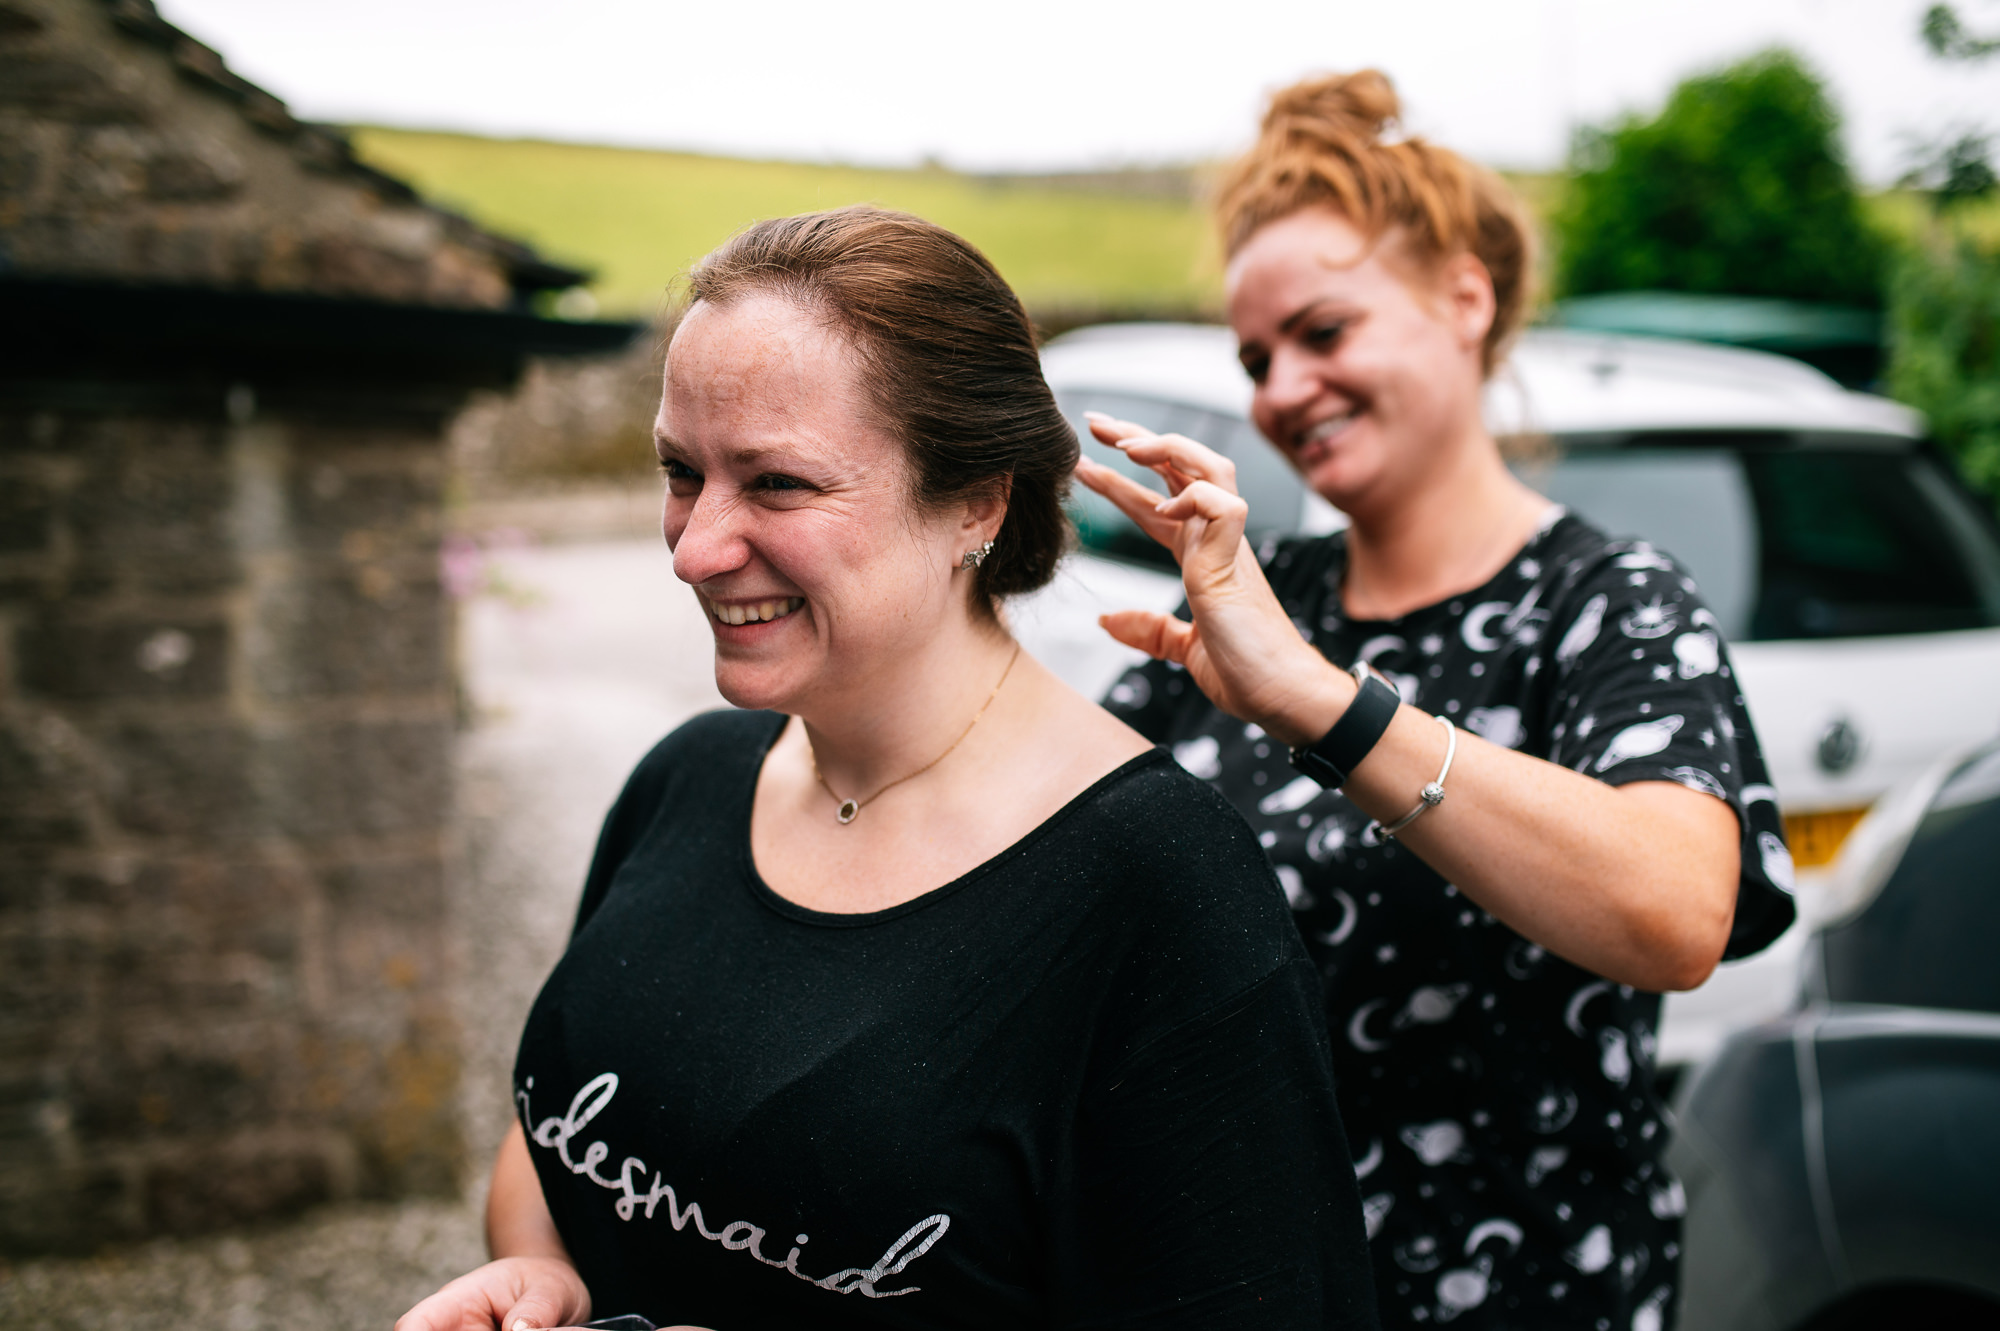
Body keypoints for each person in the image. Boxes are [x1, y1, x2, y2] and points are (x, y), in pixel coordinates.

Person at [399, 207, 1380, 1331]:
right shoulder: (690, 778)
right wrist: (542, 1273)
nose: (693, 545)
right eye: (681, 470)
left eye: (775, 484)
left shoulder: (1157, 885)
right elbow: (559, 1133)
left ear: (975, 499)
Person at [1074, 72, 1795, 1331]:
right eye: (1255, 357)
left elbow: (1674, 909)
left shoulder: (1603, 600)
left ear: (1463, 298)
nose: (1280, 389)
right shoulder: (1257, 592)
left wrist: (1320, 701)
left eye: (1322, 332)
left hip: (1523, 1292)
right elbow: (1044, 856)